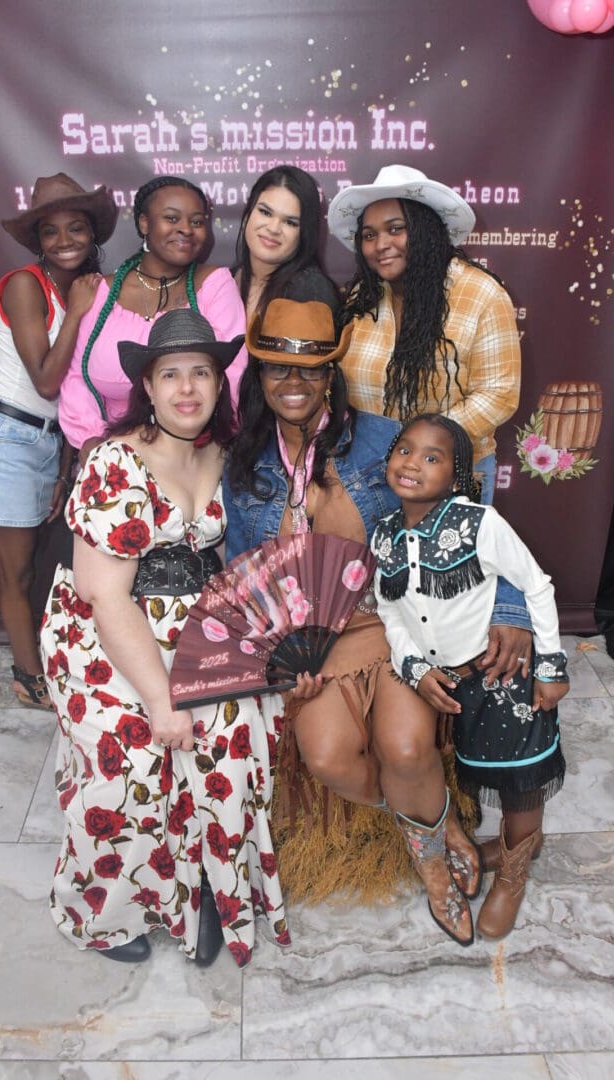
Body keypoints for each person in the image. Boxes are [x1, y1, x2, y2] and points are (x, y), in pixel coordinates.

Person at [224, 299, 489, 945]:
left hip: (391, 624)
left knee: (405, 747)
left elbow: (461, 516)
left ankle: (432, 865)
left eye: (310, 370)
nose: (294, 384)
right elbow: (241, 573)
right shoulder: (244, 462)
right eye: (278, 370)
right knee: (330, 759)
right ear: (259, 376)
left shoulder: (380, 439)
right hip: (310, 649)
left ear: (330, 375)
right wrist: (279, 664)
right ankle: (430, 818)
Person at [40, 309, 289, 968]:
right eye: (170, 374)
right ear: (145, 387)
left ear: (219, 382)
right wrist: (160, 700)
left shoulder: (229, 453)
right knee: (131, 759)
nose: (187, 388)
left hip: (197, 622)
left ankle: (206, 886)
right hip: (103, 631)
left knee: (233, 734)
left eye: (201, 372)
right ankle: (107, 913)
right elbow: (104, 595)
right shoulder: (114, 461)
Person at [372, 414, 568, 938]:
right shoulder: (386, 536)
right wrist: (413, 668)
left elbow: (537, 585)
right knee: (483, 768)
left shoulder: (479, 521)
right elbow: (390, 611)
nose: (413, 463)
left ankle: (512, 874)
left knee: (519, 784)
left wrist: (550, 666)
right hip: (455, 682)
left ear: (458, 476)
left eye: (432, 457)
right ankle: (508, 846)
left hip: (505, 676)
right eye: (404, 450)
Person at [0, 173, 117, 708]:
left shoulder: (91, 286)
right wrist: (75, 308)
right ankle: (27, 678)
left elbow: (82, 386)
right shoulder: (25, 284)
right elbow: (47, 380)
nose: (65, 240)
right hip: (9, 439)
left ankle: (43, 663)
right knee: (18, 571)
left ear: (93, 234)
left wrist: (66, 465)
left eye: (76, 228)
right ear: (38, 241)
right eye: (51, 232)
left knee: (45, 568)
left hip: (52, 441)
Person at [328, 164, 521, 505]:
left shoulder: (480, 293)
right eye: (370, 235)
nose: (381, 244)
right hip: (367, 478)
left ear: (424, 230)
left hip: (453, 477)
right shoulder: (363, 297)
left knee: (443, 561)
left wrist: (418, 447)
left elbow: (499, 393)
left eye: (395, 229)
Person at [57, 177, 248, 462]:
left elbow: (233, 374)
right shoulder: (100, 292)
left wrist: (202, 444)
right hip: (112, 457)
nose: (186, 229)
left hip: (194, 454)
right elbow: (76, 377)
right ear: (144, 223)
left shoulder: (215, 284)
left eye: (197, 222)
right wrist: (92, 441)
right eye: (172, 218)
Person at [232, 165, 340, 323]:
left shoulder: (311, 291)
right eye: (265, 212)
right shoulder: (225, 279)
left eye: (290, 222)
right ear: (248, 211)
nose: (274, 228)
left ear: (304, 233)